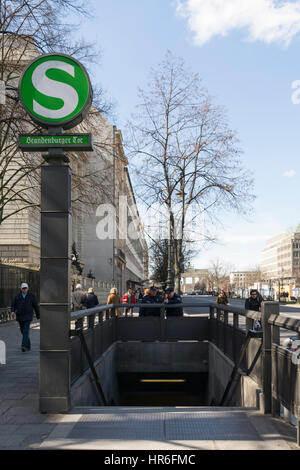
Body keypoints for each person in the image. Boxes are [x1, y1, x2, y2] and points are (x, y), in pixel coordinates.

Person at [11, 282, 40, 352]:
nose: (24, 289)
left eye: (25, 288)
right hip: (20, 316)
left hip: (28, 316)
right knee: (23, 331)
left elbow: (36, 306)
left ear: (28, 288)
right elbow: (13, 305)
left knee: (26, 331)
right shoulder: (17, 296)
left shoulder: (32, 296)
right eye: (23, 288)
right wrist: (12, 311)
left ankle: (23, 346)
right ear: (21, 289)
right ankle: (28, 345)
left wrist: (38, 315)